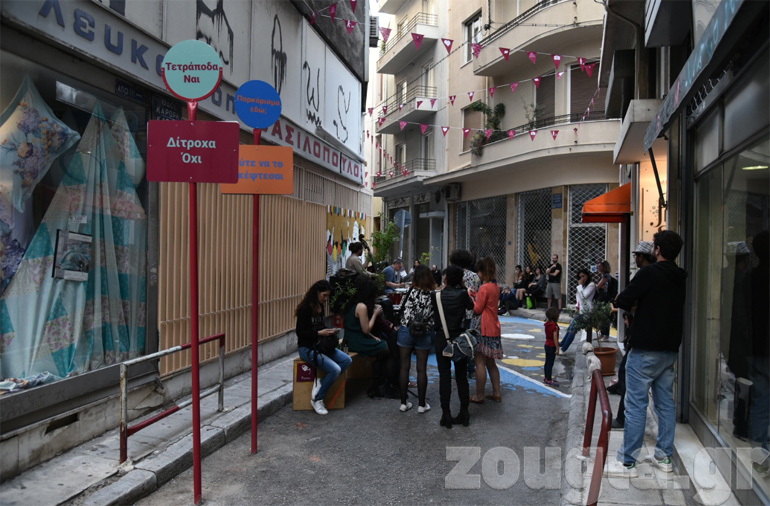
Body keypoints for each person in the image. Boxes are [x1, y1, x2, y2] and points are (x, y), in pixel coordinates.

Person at [605, 230, 687, 478]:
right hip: (669, 350)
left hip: (644, 349)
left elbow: (622, 299)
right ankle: (664, 456)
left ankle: (627, 461)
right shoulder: (680, 276)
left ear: (658, 250)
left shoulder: (649, 273)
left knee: (636, 405)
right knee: (665, 404)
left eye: (654, 246)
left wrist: (634, 303)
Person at [295, 280, 352, 415]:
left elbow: (320, 327)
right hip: (307, 349)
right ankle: (318, 399)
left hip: (321, 346)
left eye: (328, 296)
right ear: (316, 293)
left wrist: (330, 331)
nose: (326, 299)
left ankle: (321, 382)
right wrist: (320, 333)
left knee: (347, 360)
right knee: (335, 369)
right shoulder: (305, 309)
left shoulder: (320, 307)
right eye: (324, 295)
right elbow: (300, 333)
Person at [432, 265, 475, 428]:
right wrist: (464, 288)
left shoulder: (436, 295)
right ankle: (464, 412)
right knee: (461, 376)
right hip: (459, 339)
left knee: (444, 376)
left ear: (446, 278)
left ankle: (446, 414)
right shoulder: (463, 294)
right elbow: (471, 307)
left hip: (441, 338)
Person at [343, 276, 395, 398]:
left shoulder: (352, 303)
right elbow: (366, 329)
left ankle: (380, 380)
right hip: (357, 341)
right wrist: (375, 314)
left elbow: (358, 327)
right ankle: (383, 382)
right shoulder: (362, 307)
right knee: (388, 350)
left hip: (349, 338)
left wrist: (372, 336)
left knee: (383, 347)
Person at [397, 265, 436, 413]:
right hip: (423, 331)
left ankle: (403, 403)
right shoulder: (432, 295)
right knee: (421, 368)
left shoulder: (409, 291)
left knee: (404, 366)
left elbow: (401, 309)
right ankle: (421, 404)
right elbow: (434, 315)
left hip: (406, 329)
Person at [469, 257, 503, 404]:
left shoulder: (484, 287)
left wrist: (471, 298)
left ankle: (479, 395)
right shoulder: (495, 286)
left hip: (482, 327)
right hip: (494, 327)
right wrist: (476, 296)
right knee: (491, 363)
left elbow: (477, 309)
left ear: (482, 271)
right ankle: (497, 393)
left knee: (479, 362)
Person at [449, 249, 480, 380]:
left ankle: (459, 369)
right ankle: (471, 369)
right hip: (471, 312)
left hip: (457, 313)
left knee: (458, 340)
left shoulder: (453, 274)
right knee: (470, 340)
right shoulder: (475, 276)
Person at [575, 268, 597, 343]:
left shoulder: (591, 285)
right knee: (572, 328)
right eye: (580, 277)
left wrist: (580, 286)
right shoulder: (582, 286)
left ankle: (563, 346)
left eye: (583, 276)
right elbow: (578, 297)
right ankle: (563, 345)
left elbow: (584, 296)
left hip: (587, 309)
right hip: (581, 309)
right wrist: (577, 307)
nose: (582, 279)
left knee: (584, 329)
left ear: (587, 276)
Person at [543, 307, 561, 387]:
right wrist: (557, 348)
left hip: (547, 344)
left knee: (547, 362)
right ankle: (549, 379)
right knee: (550, 363)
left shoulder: (547, 324)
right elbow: (555, 338)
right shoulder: (554, 326)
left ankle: (546, 377)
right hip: (552, 346)